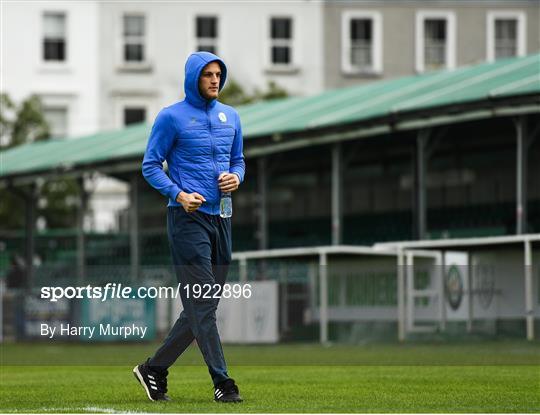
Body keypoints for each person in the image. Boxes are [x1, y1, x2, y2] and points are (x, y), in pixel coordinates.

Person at [134, 51, 245, 403]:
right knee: (202, 301)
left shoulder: (232, 116)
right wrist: (178, 194)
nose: (214, 80)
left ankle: (155, 368)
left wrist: (236, 177)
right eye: (207, 75)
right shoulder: (171, 117)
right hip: (187, 220)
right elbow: (151, 165)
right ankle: (223, 382)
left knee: (203, 306)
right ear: (193, 78)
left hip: (222, 218)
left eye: (218, 75)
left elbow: (239, 160)